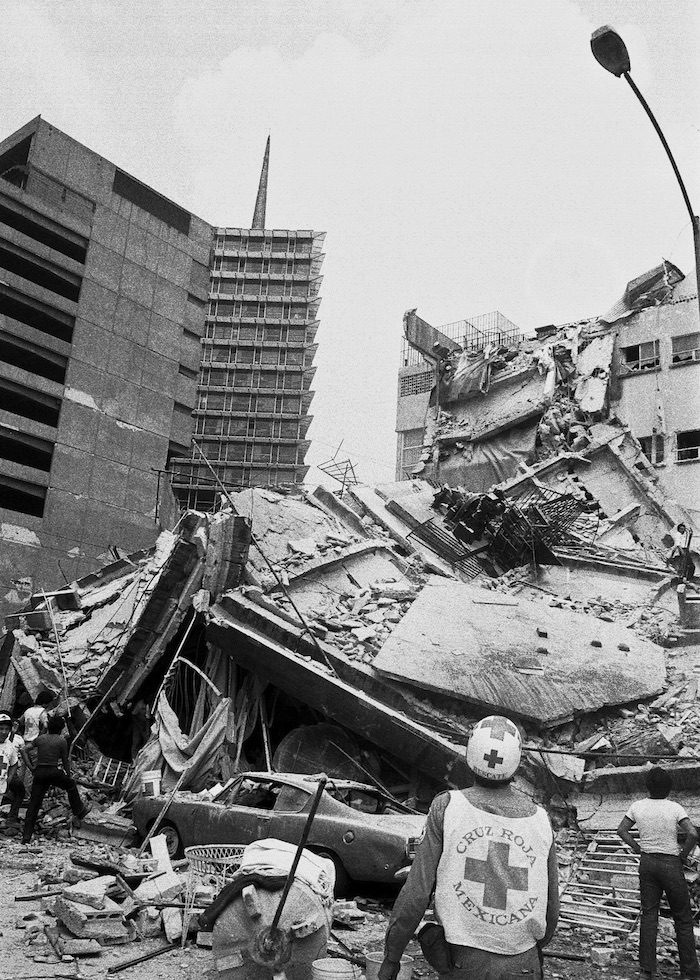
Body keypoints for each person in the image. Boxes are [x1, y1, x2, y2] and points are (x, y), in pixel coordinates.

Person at [378, 715, 559, 980]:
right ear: (517, 762)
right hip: (524, 963)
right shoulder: (541, 819)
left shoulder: (447, 807)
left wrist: (392, 957)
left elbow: (417, 893)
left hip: (464, 963)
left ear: (469, 755)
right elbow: (551, 908)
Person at [617, 767, 700, 979]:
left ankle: (647, 970)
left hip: (648, 862)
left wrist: (638, 848)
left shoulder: (637, 806)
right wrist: (683, 855)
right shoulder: (674, 807)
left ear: (648, 786)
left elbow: (622, 830)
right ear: (669, 787)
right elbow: (692, 833)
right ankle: (689, 972)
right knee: (682, 918)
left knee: (649, 915)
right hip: (671, 863)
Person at [22, 715, 89, 844]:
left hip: (40, 772)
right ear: (61, 728)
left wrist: (31, 767)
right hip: (53, 771)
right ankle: (79, 810)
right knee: (70, 785)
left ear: (48, 727)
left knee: (34, 804)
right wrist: (68, 774)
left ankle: (26, 836)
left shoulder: (40, 738)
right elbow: (65, 760)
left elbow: (24, 750)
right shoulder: (61, 740)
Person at [0, 713, 27, 832]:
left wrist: (9, 778)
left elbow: (14, 763)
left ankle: (11, 819)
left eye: (7, 729)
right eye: (1, 729)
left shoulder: (10, 746)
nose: (4, 732)